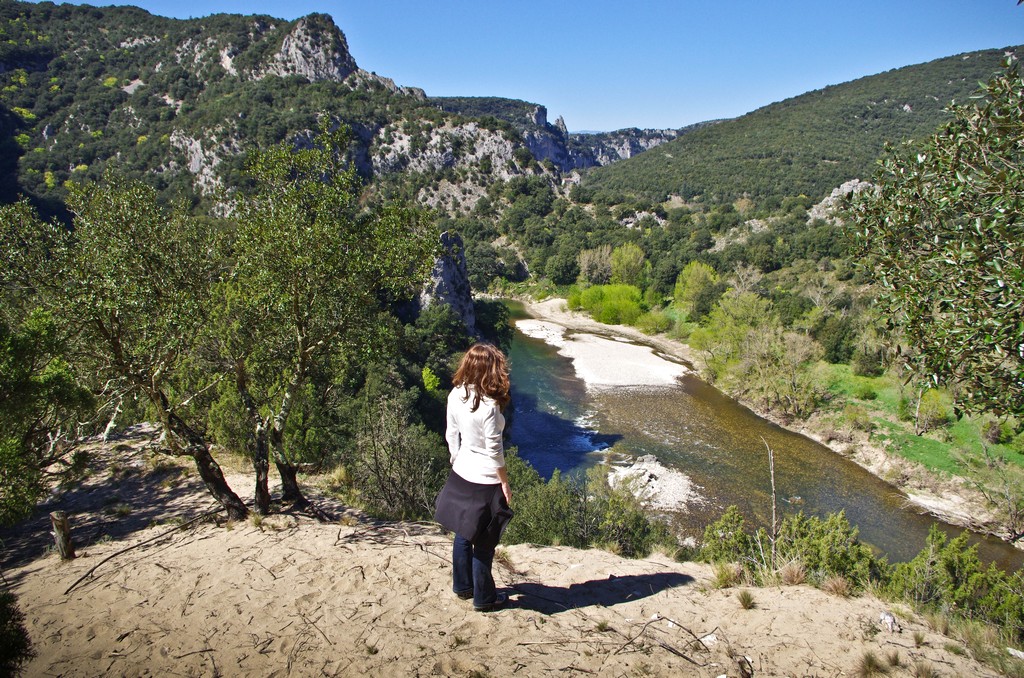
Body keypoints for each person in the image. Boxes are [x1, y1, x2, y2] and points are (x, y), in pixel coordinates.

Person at [434, 343, 513, 612]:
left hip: (462, 471)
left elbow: (450, 434)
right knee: (485, 541)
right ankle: (484, 598)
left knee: (463, 532)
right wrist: (503, 481)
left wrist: (457, 460)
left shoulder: (456, 394)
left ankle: (462, 587)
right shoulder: (490, 406)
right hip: (486, 479)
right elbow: (495, 450)